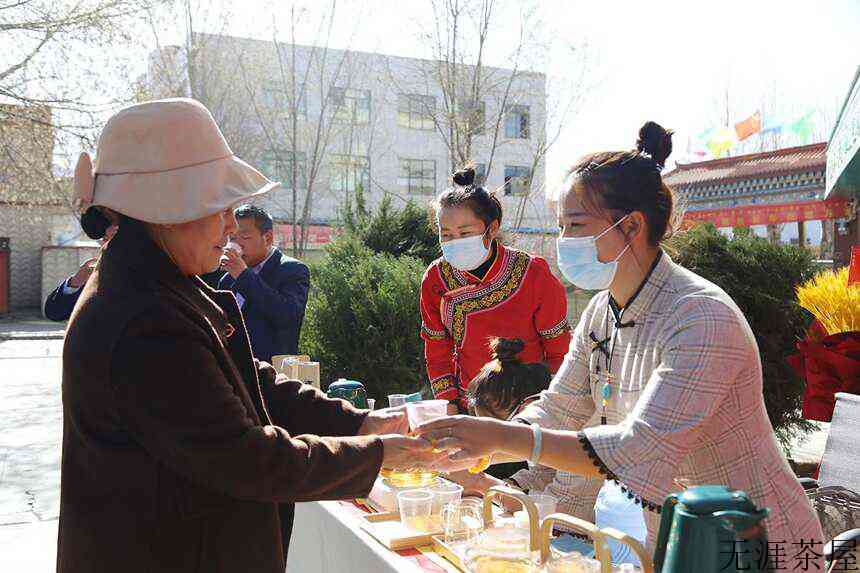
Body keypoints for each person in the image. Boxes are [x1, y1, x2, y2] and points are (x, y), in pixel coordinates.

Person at [57, 98, 437, 573]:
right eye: (221, 207)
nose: (232, 226)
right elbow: (247, 459)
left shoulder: (160, 282)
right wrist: (376, 456)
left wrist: (360, 424)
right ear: (167, 209)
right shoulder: (141, 319)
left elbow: (242, 377)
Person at [419, 122, 824, 554]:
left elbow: (641, 447)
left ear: (630, 226)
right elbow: (560, 409)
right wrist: (476, 449)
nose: (563, 241)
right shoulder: (601, 312)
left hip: (758, 541)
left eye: (575, 225)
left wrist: (500, 439)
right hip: (682, 538)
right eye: (560, 226)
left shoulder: (700, 316)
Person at [421, 165, 572, 413]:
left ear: (492, 228)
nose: (454, 241)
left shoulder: (532, 273)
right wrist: (448, 402)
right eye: (446, 234)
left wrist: (550, 405)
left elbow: (559, 350)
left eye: (465, 232)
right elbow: (437, 349)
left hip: (531, 407)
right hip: (469, 404)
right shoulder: (436, 279)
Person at [218, 204, 310, 363]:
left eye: (245, 237)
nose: (237, 245)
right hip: (235, 369)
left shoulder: (292, 270)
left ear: (267, 238)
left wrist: (243, 275)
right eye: (232, 238)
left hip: (274, 374)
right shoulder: (226, 279)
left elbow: (287, 317)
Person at [43, 222, 117, 321]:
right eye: (105, 239)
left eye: (114, 237)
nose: (107, 244)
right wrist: (76, 282)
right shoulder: (92, 276)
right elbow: (54, 313)